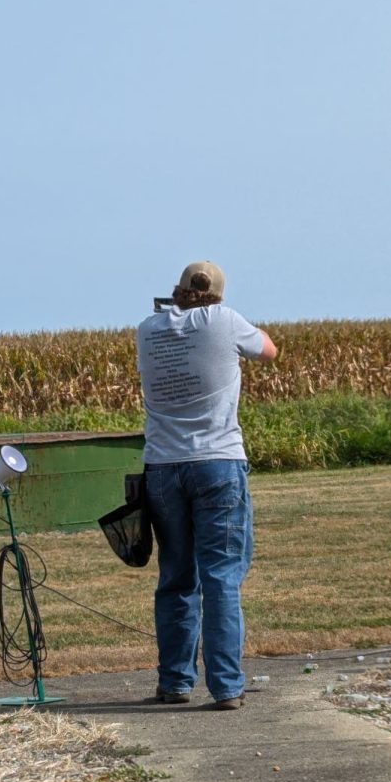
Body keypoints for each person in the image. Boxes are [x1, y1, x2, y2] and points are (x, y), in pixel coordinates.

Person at [136, 261, 277, 710]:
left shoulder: (147, 329)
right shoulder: (225, 320)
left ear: (177, 290)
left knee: (176, 577)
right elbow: (269, 350)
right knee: (221, 579)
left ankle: (175, 682)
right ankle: (226, 687)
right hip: (217, 461)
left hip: (162, 465)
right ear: (216, 294)